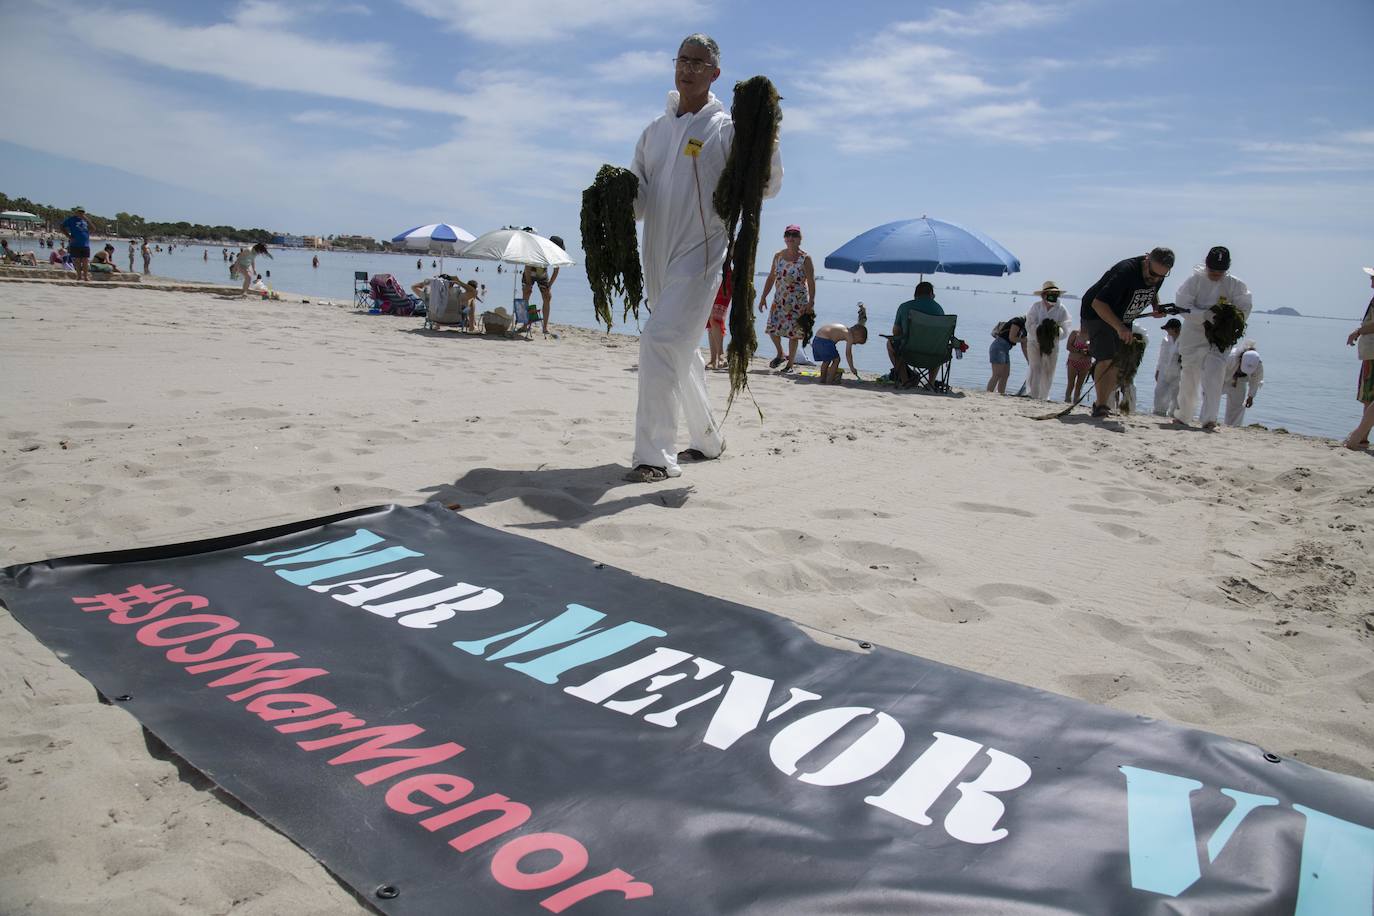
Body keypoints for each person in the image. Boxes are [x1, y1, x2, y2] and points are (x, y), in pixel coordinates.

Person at [625, 32, 782, 483]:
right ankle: (708, 440)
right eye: (682, 60)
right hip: (656, 254)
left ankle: (654, 455)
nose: (687, 68)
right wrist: (617, 194)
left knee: (658, 340)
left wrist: (766, 136)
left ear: (714, 73)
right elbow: (637, 202)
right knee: (679, 348)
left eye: (697, 62)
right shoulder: (654, 132)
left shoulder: (728, 130)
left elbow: (765, 184)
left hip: (703, 254)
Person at [1079, 247, 1173, 417]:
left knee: (1118, 360)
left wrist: (1156, 307)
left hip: (1124, 315)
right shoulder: (1125, 271)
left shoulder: (1157, 274)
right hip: (1098, 312)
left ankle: (1104, 403)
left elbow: (1151, 290)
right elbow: (1098, 303)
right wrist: (1119, 327)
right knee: (1106, 358)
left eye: (1161, 276)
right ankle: (1100, 405)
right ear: (1147, 259)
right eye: (1153, 273)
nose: (1156, 278)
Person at [1172, 246, 1254, 429]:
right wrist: (1204, 315)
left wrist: (1227, 320)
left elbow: (1244, 307)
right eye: (1213, 270)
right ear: (1206, 265)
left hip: (1220, 337)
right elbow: (1182, 305)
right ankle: (1183, 415)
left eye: (1220, 271)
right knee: (1189, 373)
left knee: (1215, 374)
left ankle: (1209, 418)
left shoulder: (1235, 285)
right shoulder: (1194, 281)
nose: (1216, 274)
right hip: (1194, 332)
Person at [757, 225, 815, 371]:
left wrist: (811, 302)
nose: (790, 238)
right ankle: (780, 354)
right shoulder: (778, 256)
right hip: (780, 299)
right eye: (788, 235)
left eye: (794, 235)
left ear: (800, 239)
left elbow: (811, 281)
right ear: (784, 238)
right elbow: (771, 277)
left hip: (798, 301)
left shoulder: (805, 258)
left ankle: (790, 365)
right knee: (772, 329)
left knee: (793, 335)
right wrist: (763, 296)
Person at [885, 281, 944, 387]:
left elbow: (895, 332)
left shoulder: (904, 307)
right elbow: (940, 335)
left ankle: (905, 380)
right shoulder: (938, 309)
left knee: (890, 343)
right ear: (931, 294)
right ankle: (930, 383)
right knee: (939, 346)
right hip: (933, 354)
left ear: (915, 294)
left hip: (909, 352)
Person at [1343, 267, 1374, 449]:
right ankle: (1362, 436)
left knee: (1368, 395)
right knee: (1368, 396)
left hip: (1372, 354)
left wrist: (1358, 331)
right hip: (1369, 353)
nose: (1371, 281)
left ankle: (1360, 437)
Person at [1024, 281, 1071, 400]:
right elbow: (1029, 324)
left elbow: (1066, 327)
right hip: (1034, 342)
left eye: (1055, 294)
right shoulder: (1036, 306)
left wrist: (1055, 331)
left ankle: (1044, 396)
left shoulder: (1061, 309)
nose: (1053, 296)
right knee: (1036, 367)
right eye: (1050, 293)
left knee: (1049, 370)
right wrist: (1040, 329)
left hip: (1052, 345)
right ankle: (1033, 395)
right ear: (1044, 294)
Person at [812, 304, 868, 384]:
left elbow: (832, 337)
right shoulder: (849, 335)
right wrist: (852, 368)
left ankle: (822, 379)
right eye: (857, 342)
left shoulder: (843, 329)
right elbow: (848, 354)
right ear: (856, 334)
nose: (854, 344)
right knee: (837, 360)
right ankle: (830, 380)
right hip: (825, 340)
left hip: (817, 339)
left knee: (826, 361)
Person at [522, 235, 564, 335]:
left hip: (542, 274)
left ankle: (545, 328)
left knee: (547, 297)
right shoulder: (538, 249)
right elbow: (527, 266)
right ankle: (524, 324)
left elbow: (556, 270)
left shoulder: (555, 254)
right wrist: (528, 284)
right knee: (526, 295)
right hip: (530, 272)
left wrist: (549, 285)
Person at [1221, 342, 1263, 426]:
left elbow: (1255, 380)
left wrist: (1250, 396)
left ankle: (1232, 426)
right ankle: (1207, 419)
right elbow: (1217, 371)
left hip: (1241, 380)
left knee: (1237, 406)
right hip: (1224, 377)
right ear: (1241, 359)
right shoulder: (1230, 357)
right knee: (1209, 396)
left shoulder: (1258, 364)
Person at [987, 316, 1027, 394]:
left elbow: (1024, 346)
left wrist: (1028, 360)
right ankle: (988, 394)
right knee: (997, 374)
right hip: (998, 347)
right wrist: (1025, 339)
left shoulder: (1025, 329)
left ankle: (1001, 393)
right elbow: (1012, 338)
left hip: (1005, 349)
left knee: (1005, 374)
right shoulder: (1018, 321)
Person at [1152, 318, 1183, 416]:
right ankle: (1159, 412)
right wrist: (1157, 370)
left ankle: (1174, 414)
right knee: (1159, 392)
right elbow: (1161, 356)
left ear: (1175, 329)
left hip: (1178, 372)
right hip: (1164, 370)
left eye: (1168, 328)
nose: (1166, 330)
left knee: (1176, 395)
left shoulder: (1184, 340)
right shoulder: (1166, 340)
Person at [705, 270, 731, 370]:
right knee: (710, 321)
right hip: (710, 277)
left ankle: (721, 355)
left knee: (715, 319)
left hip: (726, 278)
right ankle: (713, 359)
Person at [60, 206, 92, 281]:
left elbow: (94, 228)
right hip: (75, 244)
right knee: (77, 261)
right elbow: (62, 226)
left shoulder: (85, 220)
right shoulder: (71, 219)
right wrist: (68, 236)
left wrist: (87, 220)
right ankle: (79, 276)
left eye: (82, 212)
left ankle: (85, 277)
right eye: (79, 211)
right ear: (76, 212)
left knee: (85, 261)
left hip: (85, 244)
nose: (81, 213)